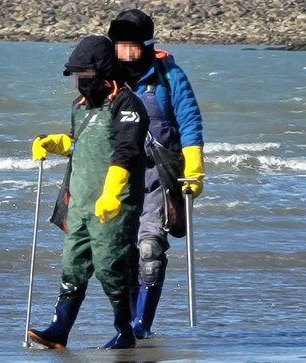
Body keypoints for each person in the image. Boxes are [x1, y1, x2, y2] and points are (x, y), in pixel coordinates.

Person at [27, 35, 149, 350]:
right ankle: (58, 329)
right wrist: (54, 143)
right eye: (77, 74)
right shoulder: (81, 107)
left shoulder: (126, 104)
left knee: (111, 265)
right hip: (80, 202)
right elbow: (80, 143)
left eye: (86, 73)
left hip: (114, 205)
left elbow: (126, 151)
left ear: (103, 70)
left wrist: (111, 193)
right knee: (72, 264)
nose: (81, 81)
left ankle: (124, 332)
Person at [107, 9, 206, 339]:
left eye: (132, 46)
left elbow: (190, 121)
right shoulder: (108, 77)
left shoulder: (169, 76)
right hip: (116, 176)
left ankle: (141, 326)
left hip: (159, 175)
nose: (126, 54)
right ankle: (128, 322)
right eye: (120, 46)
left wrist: (194, 166)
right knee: (121, 255)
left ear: (146, 45)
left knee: (150, 249)